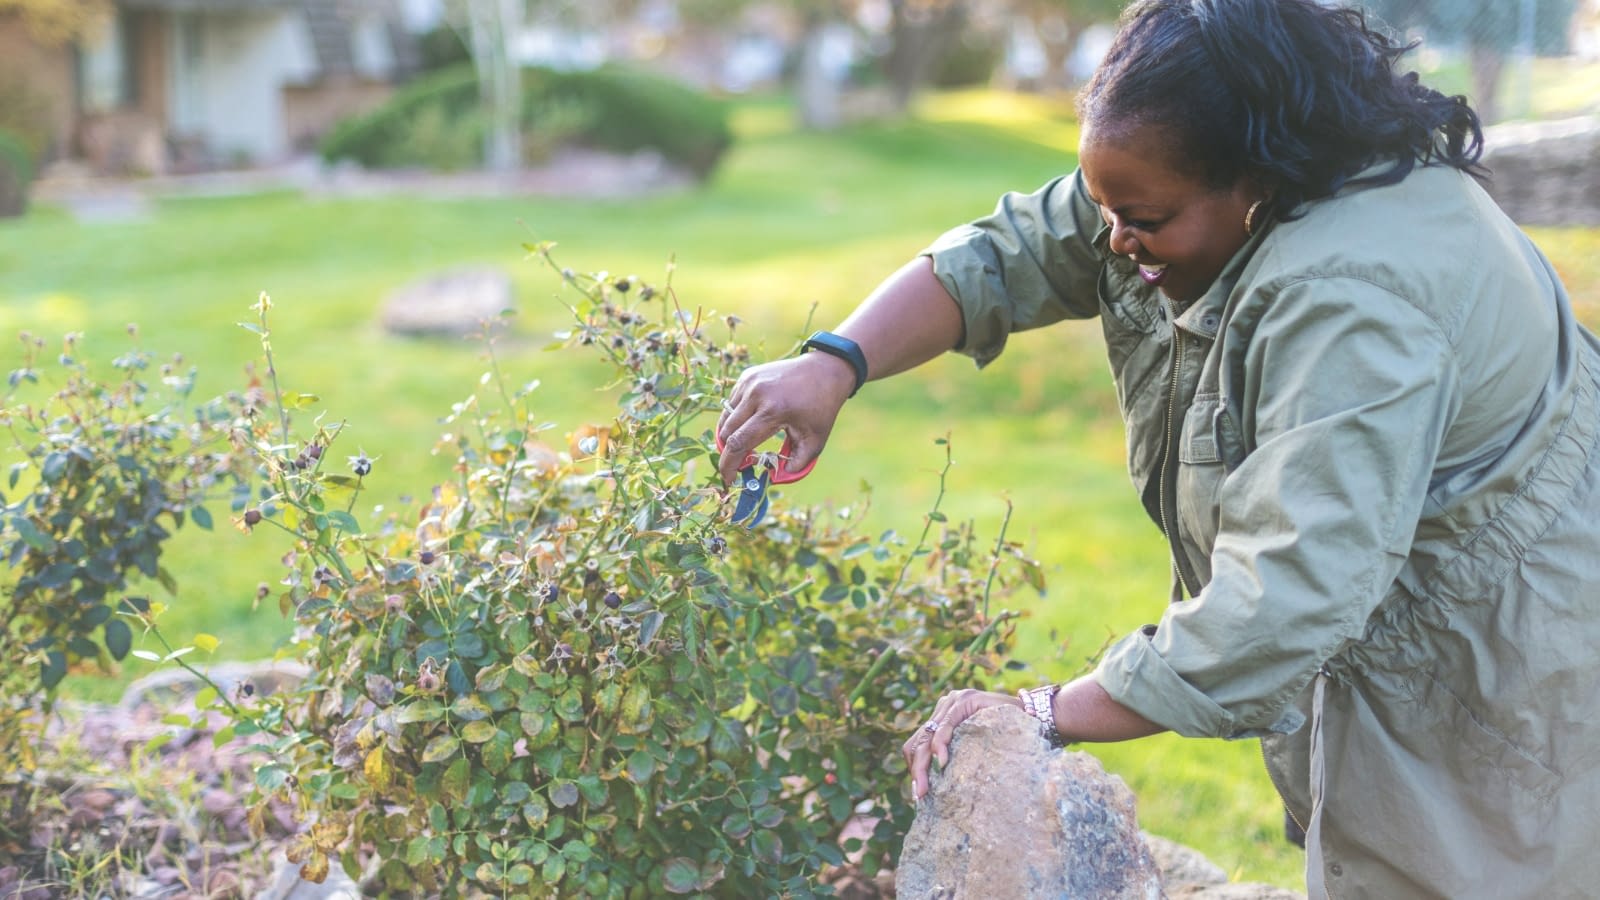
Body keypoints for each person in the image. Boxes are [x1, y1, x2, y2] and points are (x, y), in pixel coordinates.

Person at [714, 0, 1600, 896]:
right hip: (1413, 631)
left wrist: (1042, 712)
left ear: (1257, 179)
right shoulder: (1210, 174)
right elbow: (1017, 251)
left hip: (1512, 671)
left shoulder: (1356, 301)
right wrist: (836, 362)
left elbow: (1285, 598)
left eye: (1140, 217)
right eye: (1106, 207)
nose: (1114, 239)